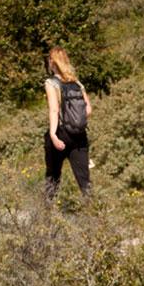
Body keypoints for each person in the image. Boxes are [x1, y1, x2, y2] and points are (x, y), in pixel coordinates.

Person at [44, 47, 93, 200]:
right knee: (84, 180)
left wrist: (53, 135)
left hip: (61, 133)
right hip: (79, 135)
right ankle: (96, 214)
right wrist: (76, 121)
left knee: (53, 176)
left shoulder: (51, 83)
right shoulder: (77, 83)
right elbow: (88, 109)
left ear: (52, 62)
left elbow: (54, 110)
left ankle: (46, 213)